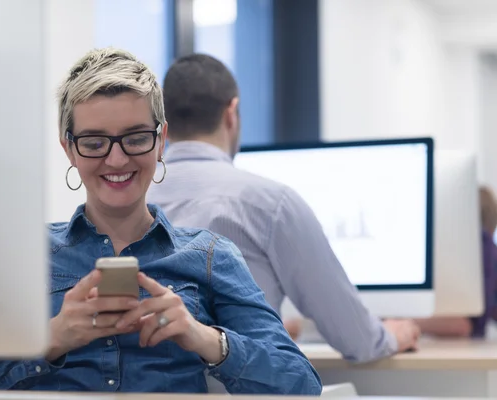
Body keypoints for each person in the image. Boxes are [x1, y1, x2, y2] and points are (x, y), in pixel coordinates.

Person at [0, 48, 322, 394]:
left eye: (135, 138)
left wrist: (205, 338)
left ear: (161, 140)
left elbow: (301, 383)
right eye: (95, 143)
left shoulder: (210, 255)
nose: (116, 160)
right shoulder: (28, 256)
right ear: (69, 149)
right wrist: (52, 338)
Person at [147, 53, 420, 363]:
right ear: (231, 113)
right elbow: (356, 339)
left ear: (163, 123)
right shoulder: (270, 204)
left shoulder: (130, 201)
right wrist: (392, 335)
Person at [415, 186, 497, 337]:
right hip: (472, 345)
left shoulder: (477, 244)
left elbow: (462, 324)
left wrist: (402, 321)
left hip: (459, 345)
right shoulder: (490, 250)